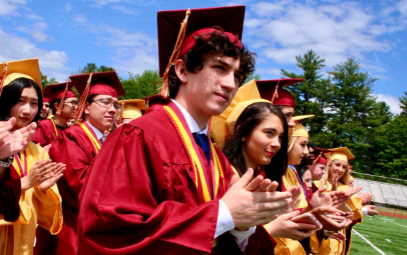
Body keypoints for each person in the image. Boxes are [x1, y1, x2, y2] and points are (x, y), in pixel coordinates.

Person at [78, 6, 294, 255]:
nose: (230, 83)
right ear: (182, 71)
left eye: (237, 75)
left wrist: (243, 224)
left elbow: (229, 224)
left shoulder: (214, 156)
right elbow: (110, 230)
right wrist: (222, 214)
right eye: (220, 68)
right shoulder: (139, 136)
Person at [213, 79, 319, 244]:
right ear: (242, 131)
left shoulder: (260, 175)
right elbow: (213, 238)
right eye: (269, 133)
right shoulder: (221, 175)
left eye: (281, 137)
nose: (277, 143)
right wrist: (271, 229)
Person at [35, 71, 125, 255]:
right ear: (86, 107)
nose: (112, 109)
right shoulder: (71, 138)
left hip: (96, 227)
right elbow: (81, 186)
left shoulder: (107, 140)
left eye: (115, 104)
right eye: (105, 102)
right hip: (72, 230)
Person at [0, 58, 64, 255]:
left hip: (25, 242)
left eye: (34, 103)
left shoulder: (37, 151)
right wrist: (25, 182)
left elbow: (45, 217)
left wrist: (44, 192)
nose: (27, 110)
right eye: (20, 101)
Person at [313, 147, 364, 255]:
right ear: (329, 165)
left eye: (344, 167)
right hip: (319, 232)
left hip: (338, 234)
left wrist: (354, 201)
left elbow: (354, 216)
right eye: (337, 165)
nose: (340, 169)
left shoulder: (346, 189)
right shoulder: (317, 185)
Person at [32, 82, 78, 148]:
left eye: (76, 103)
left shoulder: (70, 130)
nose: (76, 107)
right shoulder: (42, 127)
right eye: (73, 103)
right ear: (57, 106)